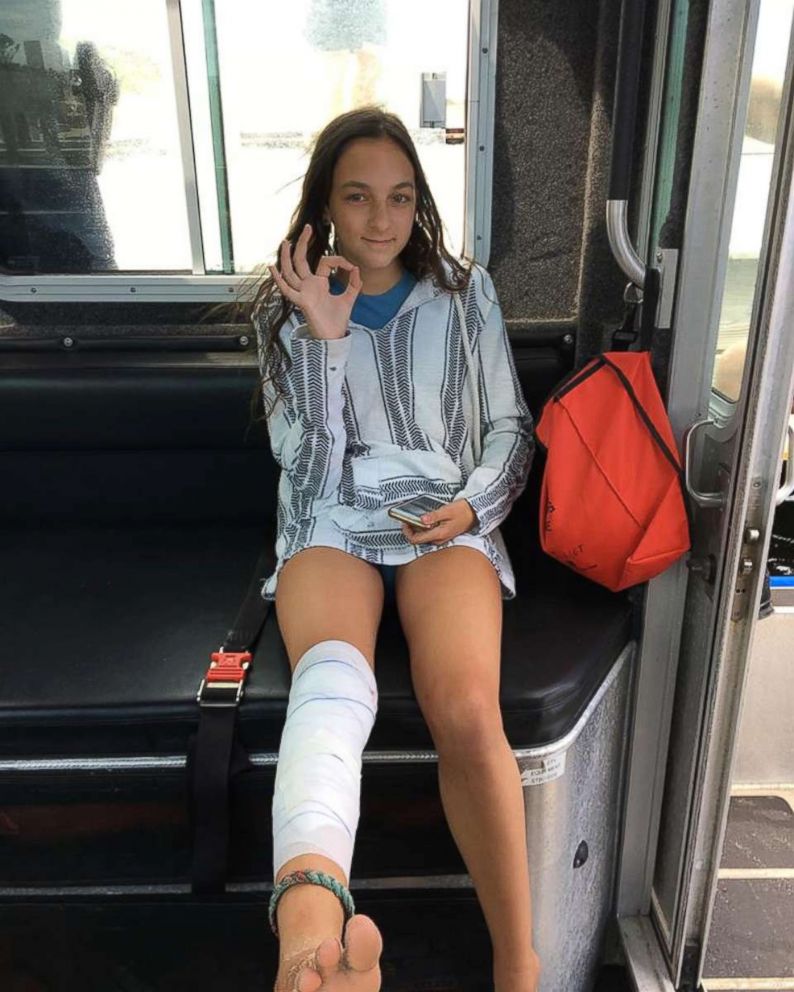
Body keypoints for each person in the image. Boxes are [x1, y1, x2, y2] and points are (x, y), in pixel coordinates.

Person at [252, 106, 540, 992]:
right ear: (327, 207)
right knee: (333, 686)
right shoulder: (285, 308)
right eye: (359, 197)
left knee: (465, 707)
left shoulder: (467, 292)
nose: (382, 219)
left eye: (401, 197)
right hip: (332, 515)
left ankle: (517, 962)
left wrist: (471, 506)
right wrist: (325, 335)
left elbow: (509, 429)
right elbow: (306, 464)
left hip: (442, 516)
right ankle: (307, 947)